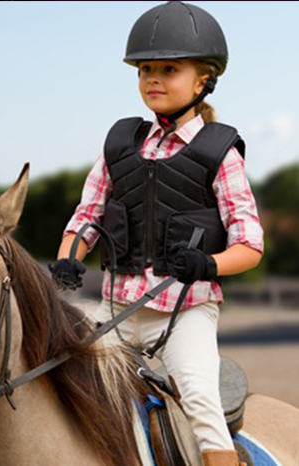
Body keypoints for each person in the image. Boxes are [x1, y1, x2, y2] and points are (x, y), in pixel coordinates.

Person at [49, 2, 263, 466]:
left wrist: (209, 264)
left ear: (203, 79)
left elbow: (250, 245)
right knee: (55, 378)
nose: (154, 78)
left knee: (203, 404)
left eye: (169, 69)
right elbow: (86, 217)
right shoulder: (119, 146)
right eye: (146, 69)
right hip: (116, 308)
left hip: (183, 313)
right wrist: (70, 257)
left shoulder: (219, 153)